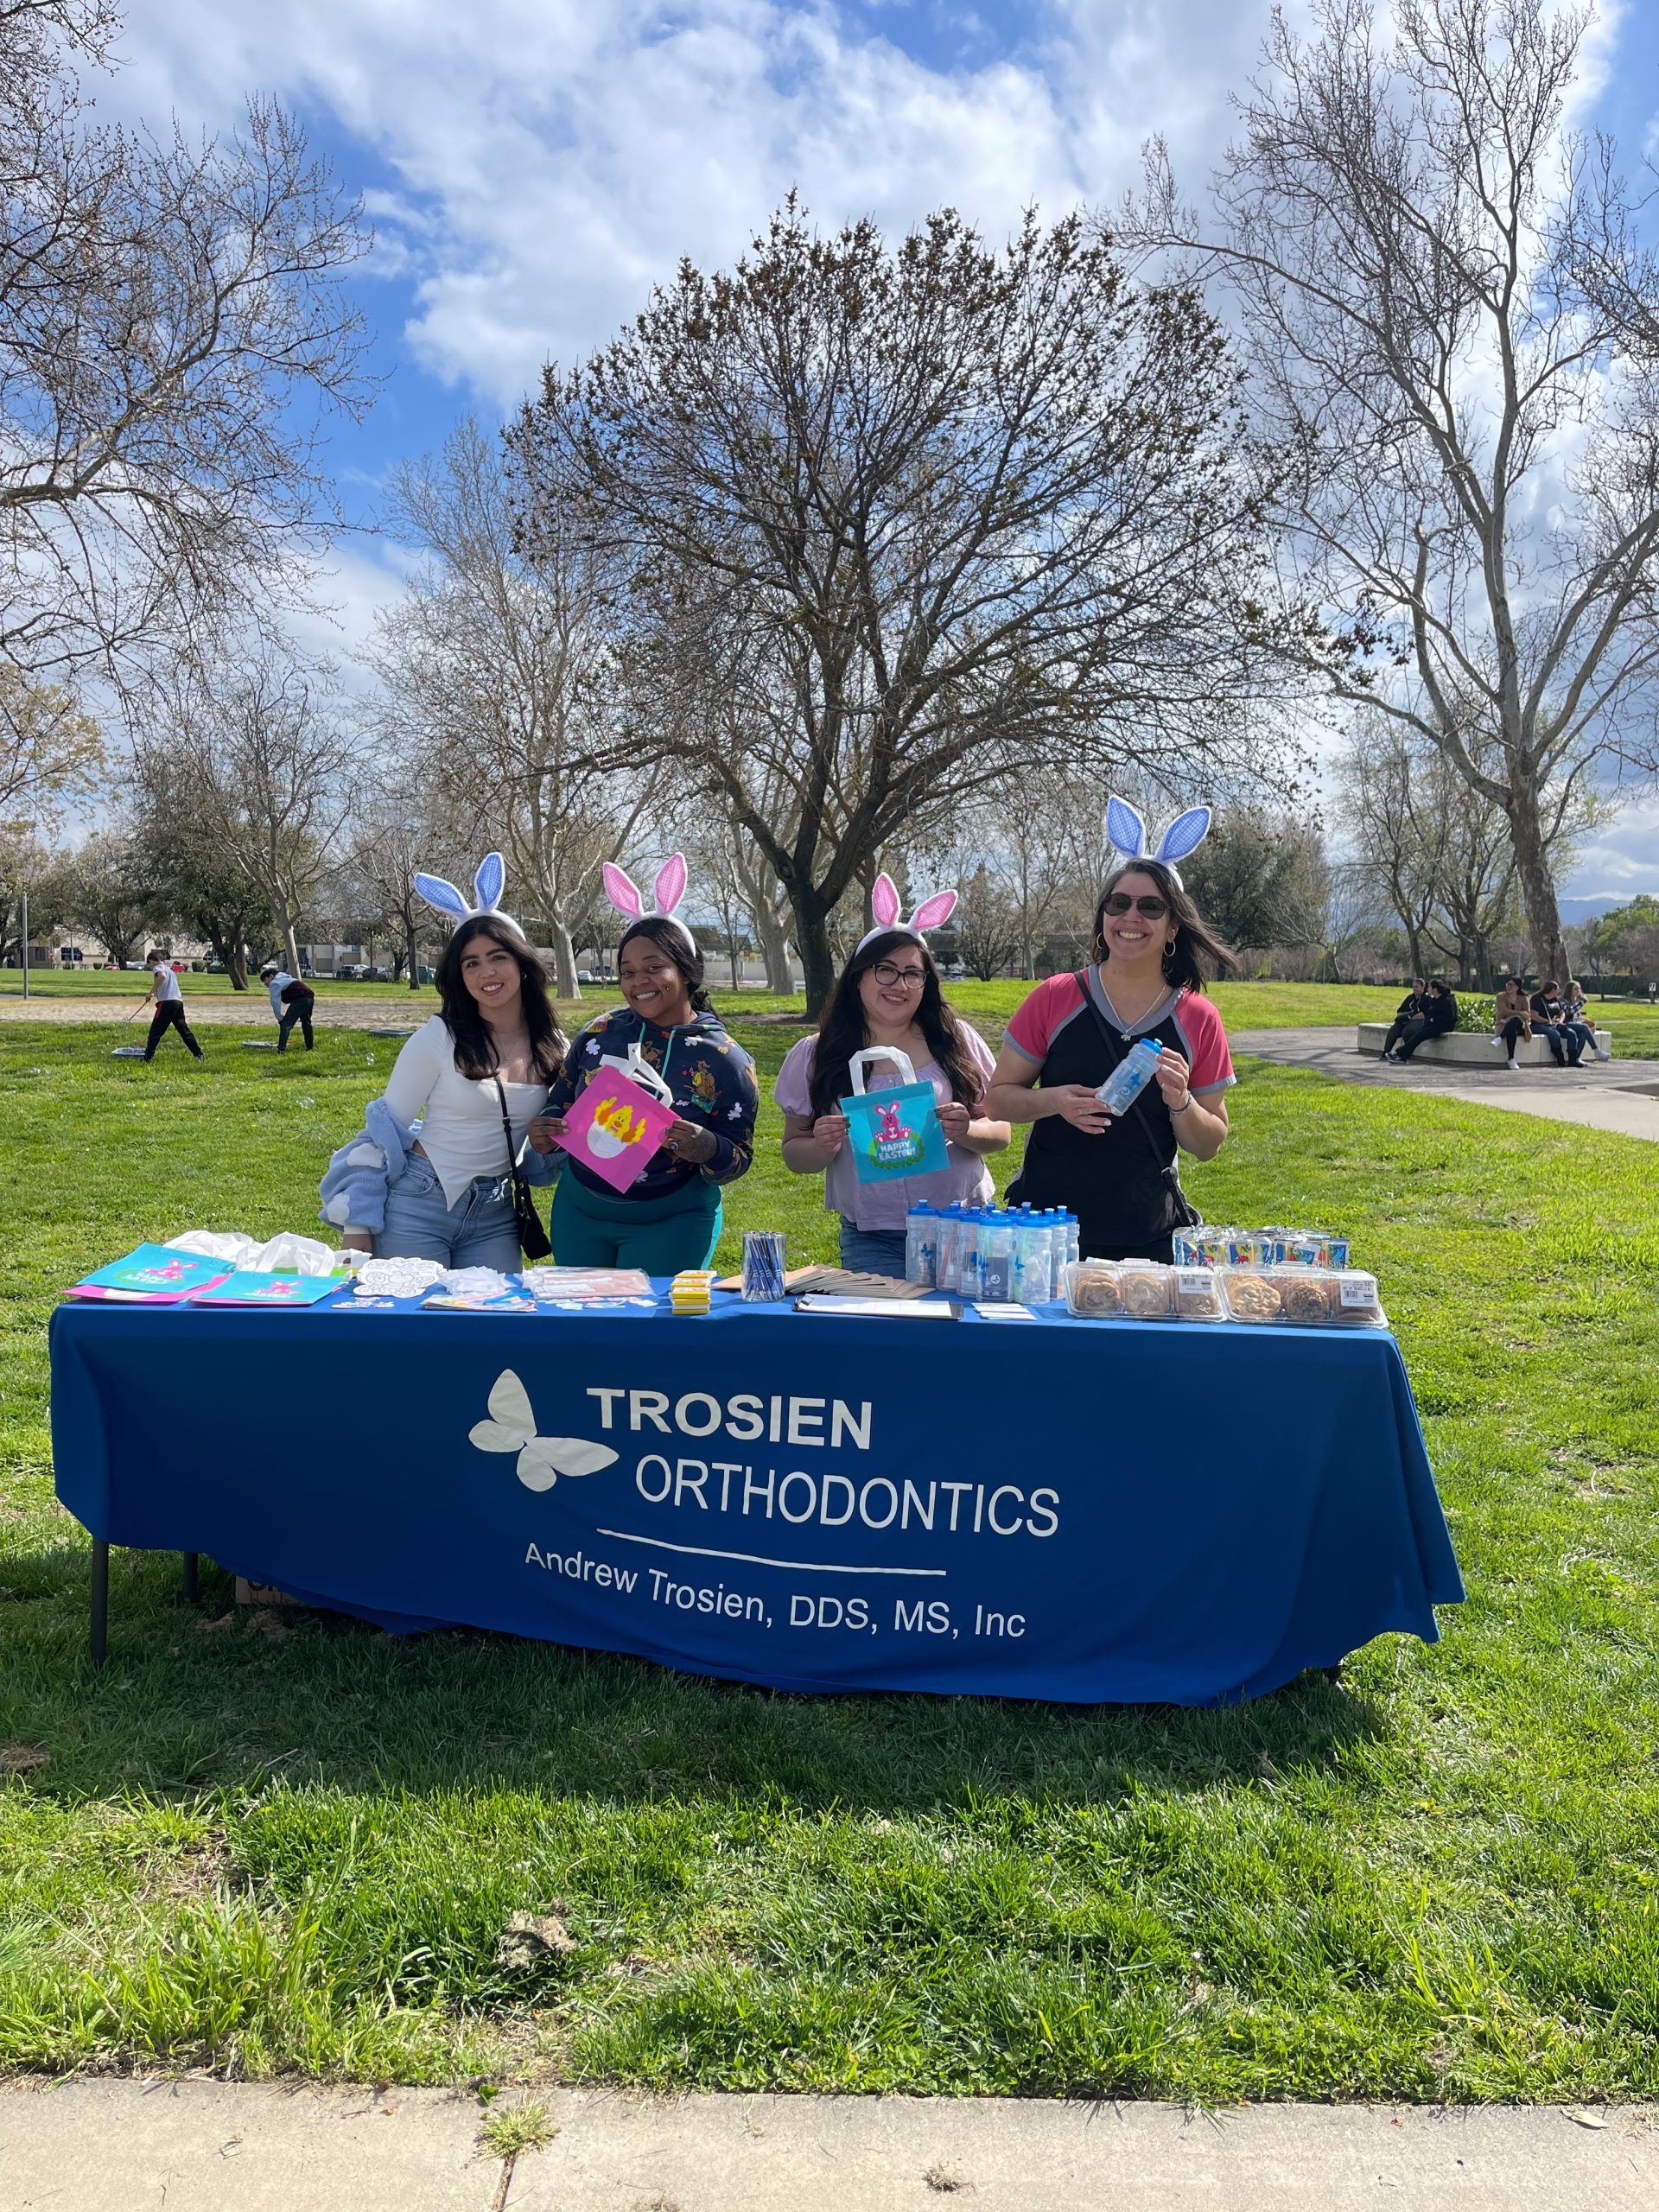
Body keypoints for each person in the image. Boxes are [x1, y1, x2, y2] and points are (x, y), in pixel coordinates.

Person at [981, 796, 1236, 1264]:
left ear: (1173, 925)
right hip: (1044, 1236)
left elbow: (1208, 1144)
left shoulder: (1199, 1017)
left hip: (1147, 1241)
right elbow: (997, 1098)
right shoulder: (1056, 996)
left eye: (1151, 907)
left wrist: (1180, 1100)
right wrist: (1055, 1101)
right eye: (1119, 903)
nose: (1131, 917)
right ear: (1103, 916)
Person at [319, 855, 564, 1267]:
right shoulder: (438, 1038)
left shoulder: (555, 1046)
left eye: (498, 957)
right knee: (415, 1326)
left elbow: (552, 1148)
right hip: (419, 1202)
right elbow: (381, 1132)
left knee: (495, 1323)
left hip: (497, 1210)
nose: (486, 972)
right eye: (472, 963)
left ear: (523, 964)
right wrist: (357, 1227)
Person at [529, 856, 757, 1273]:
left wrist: (707, 1146)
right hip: (582, 1212)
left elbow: (738, 1157)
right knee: (584, 1328)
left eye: (655, 968)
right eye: (628, 971)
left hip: (673, 1219)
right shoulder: (599, 1033)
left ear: (687, 972)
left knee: (650, 1333)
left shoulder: (726, 1059)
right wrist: (545, 1129)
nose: (639, 981)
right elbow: (559, 1102)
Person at [775, 874, 1009, 1274]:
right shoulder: (817, 1054)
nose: (899, 984)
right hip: (873, 1237)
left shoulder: (955, 1040)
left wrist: (965, 1130)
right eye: (885, 970)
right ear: (858, 977)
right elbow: (794, 1156)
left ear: (925, 983)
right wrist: (821, 1145)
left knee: (967, 1336)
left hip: (965, 1227)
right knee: (885, 1337)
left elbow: (1001, 1131)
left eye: (912, 974)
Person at [140, 950, 205, 1062]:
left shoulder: (158, 968)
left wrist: (151, 992)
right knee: (184, 1031)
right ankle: (199, 1054)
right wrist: (155, 994)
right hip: (178, 1002)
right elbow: (166, 986)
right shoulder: (170, 971)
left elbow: (161, 976)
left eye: (149, 964)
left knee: (155, 1032)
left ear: (151, 961)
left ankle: (147, 1058)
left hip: (167, 1004)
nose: (150, 967)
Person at [1389, 977, 1459, 1061]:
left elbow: (1450, 1017)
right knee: (1418, 1034)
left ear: (1435, 989)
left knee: (1419, 1036)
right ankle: (1401, 1054)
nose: (1428, 989)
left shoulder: (1448, 1000)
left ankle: (1400, 1054)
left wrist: (1434, 1019)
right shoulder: (1434, 1000)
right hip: (1434, 1024)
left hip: (1444, 1026)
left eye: (1429, 987)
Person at [261, 960, 316, 1052]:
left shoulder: (275, 983)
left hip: (300, 999)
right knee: (306, 1023)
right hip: (309, 998)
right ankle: (310, 1047)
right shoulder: (285, 978)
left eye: (265, 980)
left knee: (286, 1024)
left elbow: (275, 1002)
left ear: (271, 976)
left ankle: (281, 1049)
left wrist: (280, 1018)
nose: (265, 984)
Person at [1527, 978, 1579, 1066]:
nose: (1559, 991)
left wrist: (1560, 1021)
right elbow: (1534, 1016)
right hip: (1539, 1025)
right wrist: (1548, 1021)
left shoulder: (1556, 1000)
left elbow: (1562, 1013)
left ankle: (1572, 1060)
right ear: (1553, 990)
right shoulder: (1537, 1000)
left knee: (1572, 1034)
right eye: (1558, 989)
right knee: (1554, 1034)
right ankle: (1559, 1055)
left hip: (1555, 1024)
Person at [1559, 979, 1610, 1061]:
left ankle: (1576, 1058)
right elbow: (1568, 1012)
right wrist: (1581, 1003)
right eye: (1575, 989)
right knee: (1585, 1027)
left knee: (1582, 1035)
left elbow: (1576, 1016)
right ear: (1569, 990)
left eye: (1579, 989)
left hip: (1573, 1024)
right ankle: (1596, 1050)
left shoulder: (1575, 1002)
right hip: (1564, 1024)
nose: (1578, 991)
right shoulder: (1563, 1001)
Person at [1491, 976, 1533, 1072]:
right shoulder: (1501, 996)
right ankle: (1511, 1058)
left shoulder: (1523, 998)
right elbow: (1502, 1011)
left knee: (1517, 1020)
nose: (1508, 987)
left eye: (1511, 985)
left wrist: (1510, 1017)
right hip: (1503, 1025)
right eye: (1507, 984)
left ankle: (1500, 1038)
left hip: (1521, 1027)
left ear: (1517, 987)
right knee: (1512, 1030)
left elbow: (1527, 1015)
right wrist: (1519, 1013)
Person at [1380, 978, 1427, 1058]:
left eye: (1417, 987)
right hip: (1406, 1021)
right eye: (1413, 987)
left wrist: (1411, 1018)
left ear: (1423, 987)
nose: (1414, 989)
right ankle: (1386, 1051)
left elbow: (1424, 1014)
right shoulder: (1410, 998)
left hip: (1418, 1021)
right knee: (1393, 1030)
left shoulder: (1426, 999)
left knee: (1407, 1031)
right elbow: (1400, 1011)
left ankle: (1405, 1053)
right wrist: (1403, 1017)